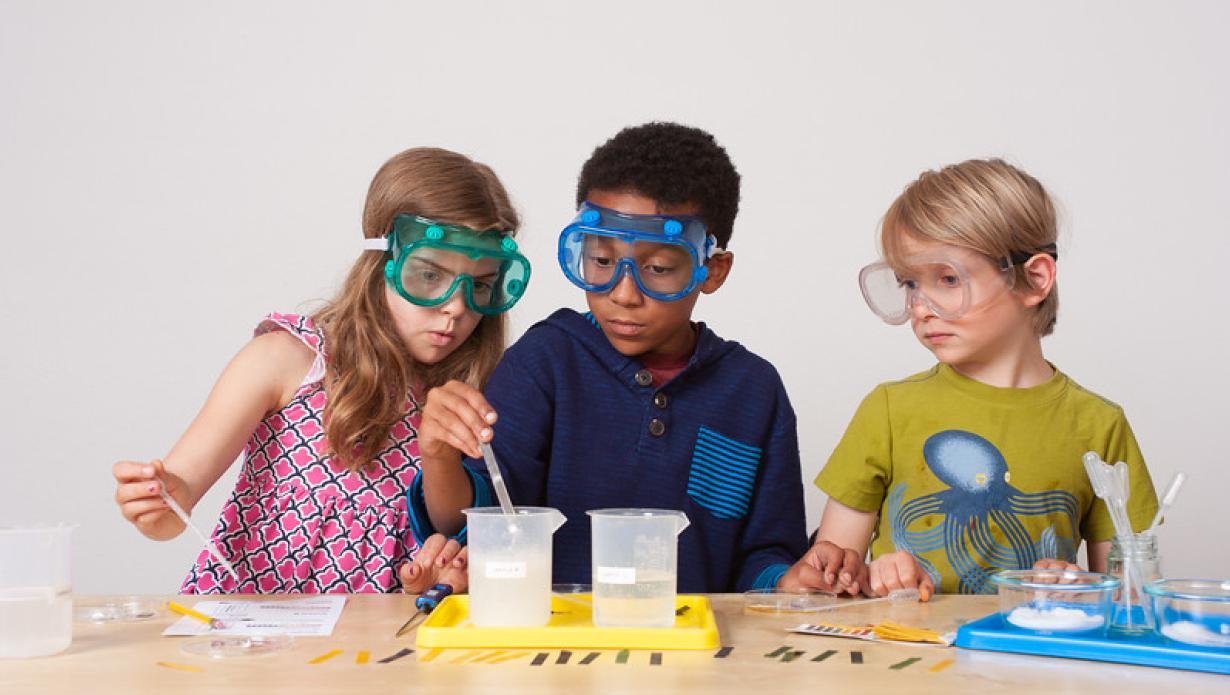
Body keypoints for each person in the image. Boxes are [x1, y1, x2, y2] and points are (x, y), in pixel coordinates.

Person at [409, 121, 820, 592]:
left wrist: (788, 581)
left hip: (697, 654)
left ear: (712, 270)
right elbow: (476, 520)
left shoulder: (753, 391)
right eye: (602, 262)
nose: (623, 294)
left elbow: (765, 555)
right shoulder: (547, 361)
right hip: (552, 652)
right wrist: (438, 459)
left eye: (659, 268)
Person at [112, 147, 531, 594]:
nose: (456, 307)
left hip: (386, 645)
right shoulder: (285, 359)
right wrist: (160, 503)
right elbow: (176, 499)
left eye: (481, 285)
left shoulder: (477, 392)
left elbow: (456, 529)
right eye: (429, 276)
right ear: (380, 262)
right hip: (255, 640)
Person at [794, 158, 1158, 598]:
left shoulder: (1100, 425)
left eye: (948, 279)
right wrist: (872, 575)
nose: (920, 307)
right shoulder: (888, 410)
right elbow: (829, 581)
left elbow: (1132, 601)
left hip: (1034, 662)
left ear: (1033, 279)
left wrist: (1082, 589)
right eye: (909, 283)